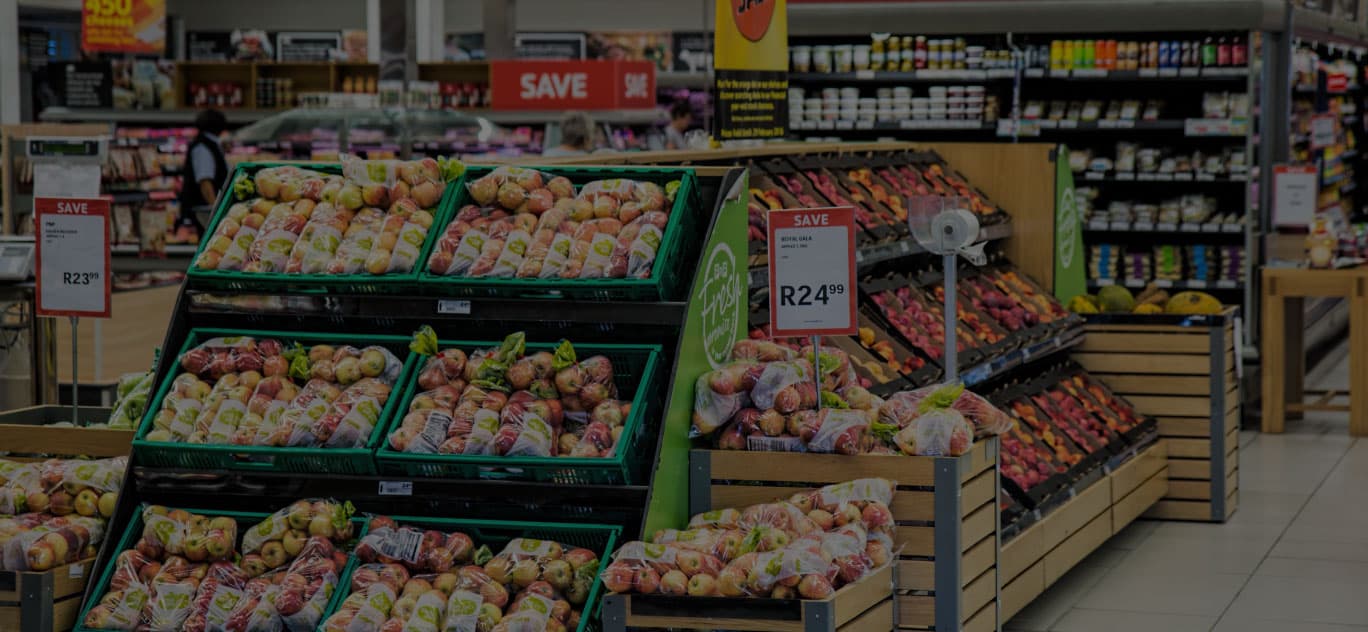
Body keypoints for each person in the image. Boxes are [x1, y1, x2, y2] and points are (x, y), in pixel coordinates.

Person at [177, 108, 229, 241]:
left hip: (204, 210)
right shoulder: (203, 147)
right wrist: (216, 210)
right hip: (203, 212)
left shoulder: (209, 144)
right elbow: (205, 181)